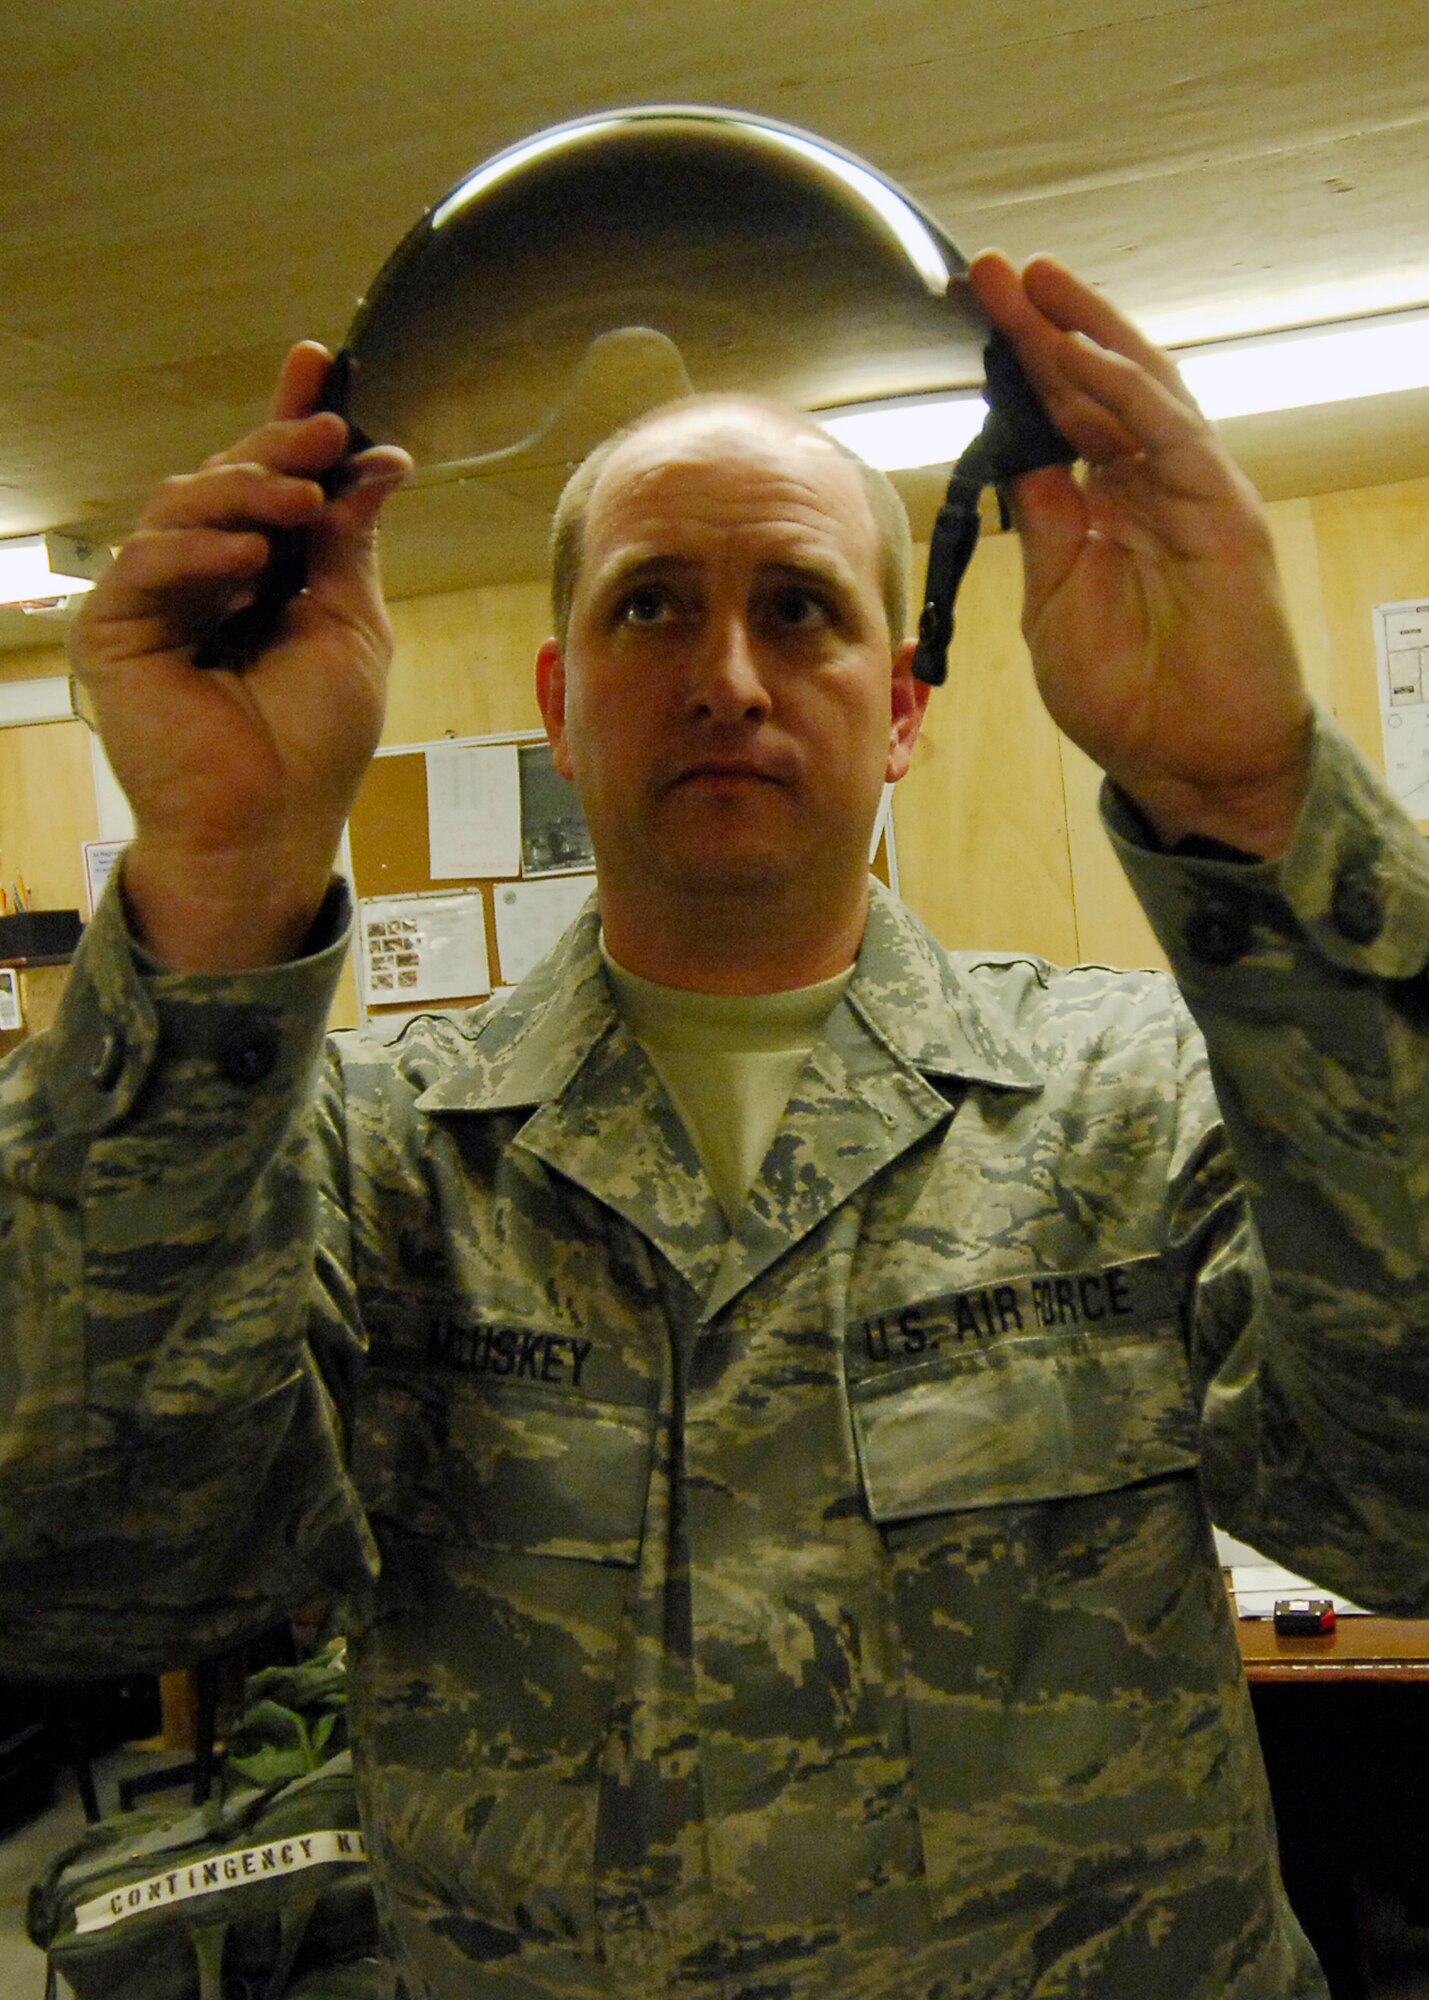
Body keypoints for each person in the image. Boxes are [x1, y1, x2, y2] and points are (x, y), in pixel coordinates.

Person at [2, 250, 1428, 2000]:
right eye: (652, 607)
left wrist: (1254, 801)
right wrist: (215, 881)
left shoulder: (1128, 1095)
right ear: (557, 702)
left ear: (901, 711)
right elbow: (83, 1576)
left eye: (804, 610)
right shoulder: (376, 1154)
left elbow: (1410, 1510)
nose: (730, 676)